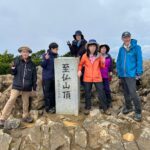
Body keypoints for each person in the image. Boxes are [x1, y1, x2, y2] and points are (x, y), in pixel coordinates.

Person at [0, 46, 37, 128]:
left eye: (26, 52)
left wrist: (34, 88)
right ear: (21, 53)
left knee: (26, 102)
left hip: (27, 87)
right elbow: (13, 73)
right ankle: (2, 118)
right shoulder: (16, 61)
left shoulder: (32, 64)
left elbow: (34, 77)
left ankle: (25, 116)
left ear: (29, 53)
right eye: (23, 52)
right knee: (11, 99)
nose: (25, 53)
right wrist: (12, 67)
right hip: (16, 85)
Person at [78, 39, 111, 115]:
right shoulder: (84, 56)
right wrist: (79, 70)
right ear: (88, 47)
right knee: (87, 93)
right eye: (91, 46)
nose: (92, 47)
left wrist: (102, 60)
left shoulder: (99, 55)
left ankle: (105, 108)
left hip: (97, 77)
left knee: (101, 93)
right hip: (87, 77)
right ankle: (87, 108)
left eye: (94, 46)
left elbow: (102, 66)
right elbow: (80, 65)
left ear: (96, 47)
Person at [117, 31, 143, 122]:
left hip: (131, 74)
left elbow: (139, 60)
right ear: (122, 39)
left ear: (130, 37)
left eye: (128, 37)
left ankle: (138, 112)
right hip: (123, 75)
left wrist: (138, 72)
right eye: (124, 37)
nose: (126, 39)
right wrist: (119, 73)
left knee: (133, 93)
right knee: (125, 92)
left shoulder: (136, 48)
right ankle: (128, 107)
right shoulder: (121, 49)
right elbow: (119, 61)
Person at [41, 42, 58, 113]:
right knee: (47, 93)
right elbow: (42, 65)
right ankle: (48, 108)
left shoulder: (56, 56)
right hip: (47, 78)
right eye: (56, 49)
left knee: (53, 93)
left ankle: (53, 106)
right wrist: (46, 59)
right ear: (52, 49)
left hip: (54, 78)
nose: (57, 50)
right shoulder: (45, 55)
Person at [99, 44, 113, 108]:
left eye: (104, 48)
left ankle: (109, 102)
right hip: (98, 76)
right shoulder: (97, 56)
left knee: (107, 89)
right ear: (99, 49)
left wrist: (111, 72)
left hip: (106, 75)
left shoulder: (108, 56)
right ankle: (102, 103)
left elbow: (111, 65)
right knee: (101, 90)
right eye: (102, 48)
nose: (103, 49)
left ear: (106, 49)